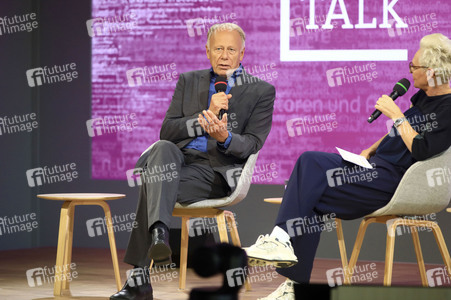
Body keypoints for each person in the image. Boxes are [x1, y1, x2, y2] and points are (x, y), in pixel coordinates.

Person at [244, 33, 451, 300]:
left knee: (310, 161)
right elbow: (406, 133)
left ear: (432, 71)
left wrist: (397, 116)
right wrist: (374, 147)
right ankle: (294, 288)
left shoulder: (448, 108)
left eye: (414, 67)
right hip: (376, 168)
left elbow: (422, 148)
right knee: (312, 198)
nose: (409, 72)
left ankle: (280, 238)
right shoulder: (423, 98)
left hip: (394, 182)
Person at [110, 22, 276, 300]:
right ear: (208, 52)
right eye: (219, 49)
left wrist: (224, 137)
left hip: (214, 172)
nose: (224, 55)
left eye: (231, 49)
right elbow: (168, 130)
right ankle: (159, 235)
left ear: (242, 54)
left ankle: (141, 276)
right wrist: (202, 118)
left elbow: (253, 143)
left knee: (153, 179)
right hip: (179, 160)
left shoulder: (261, 91)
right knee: (162, 148)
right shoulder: (189, 80)